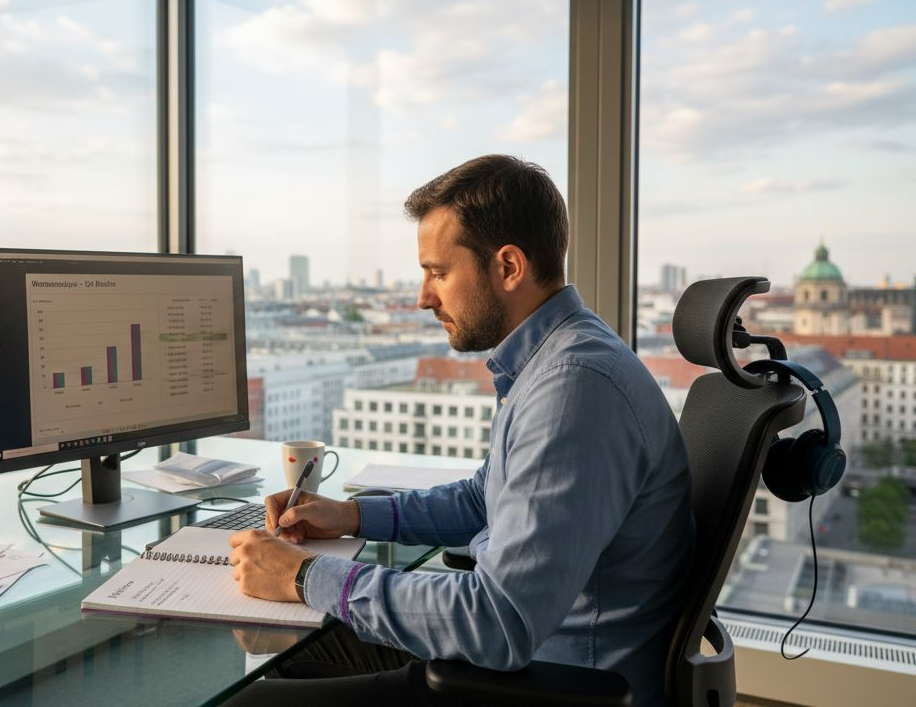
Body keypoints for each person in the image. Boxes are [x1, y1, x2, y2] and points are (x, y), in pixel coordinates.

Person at [224, 154, 694, 706]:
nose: (424, 296)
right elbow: (485, 498)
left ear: (509, 267)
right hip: (535, 659)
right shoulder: (559, 357)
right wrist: (351, 515)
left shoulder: (572, 388)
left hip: (548, 683)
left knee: (249, 698)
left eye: (438, 272)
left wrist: (305, 576)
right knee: (287, 652)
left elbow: (498, 623)